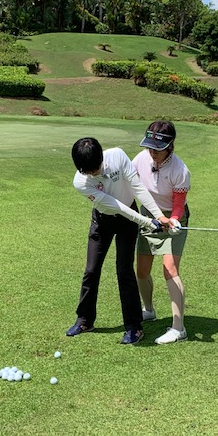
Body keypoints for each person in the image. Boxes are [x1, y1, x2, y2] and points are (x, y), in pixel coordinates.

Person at [67, 137, 171, 345]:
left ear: (101, 158)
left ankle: (134, 327)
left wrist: (158, 216)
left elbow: (137, 187)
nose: (93, 174)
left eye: (95, 168)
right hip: (102, 220)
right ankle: (85, 320)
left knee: (124, 271)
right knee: (91, 270)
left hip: (127, 222)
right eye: (88, 172)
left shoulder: (117, 156)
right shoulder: (80, 182)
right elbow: (114, 205)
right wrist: (147, 222)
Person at [133, 121, 191, 344]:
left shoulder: (180, 170)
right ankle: (148, 310)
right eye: (150, 147)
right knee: (142, 270)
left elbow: (178, 204)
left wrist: (173, 220)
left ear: (170, 146)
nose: (153, 153)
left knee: (170, 268)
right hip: (149, 217)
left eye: (158, 149)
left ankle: (178, 329)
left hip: (174, 220)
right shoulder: (141, 159)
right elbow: (129, 181)